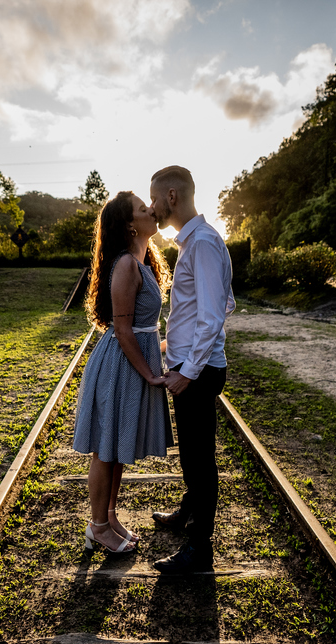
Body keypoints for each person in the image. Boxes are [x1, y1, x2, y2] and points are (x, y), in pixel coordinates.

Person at [72, 191, 174, 553]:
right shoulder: (126, 265)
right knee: (106, 447)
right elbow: (123, 329)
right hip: (120, 366)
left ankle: (109, 517)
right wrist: (150, 374)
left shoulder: (144, 261)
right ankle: (97, 527)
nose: (153, 210)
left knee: (116, 446)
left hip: (131, 361)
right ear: (131, 225)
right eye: (144, 209)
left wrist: (165, 351)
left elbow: (145, 330)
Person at [148, 166, 235, 574]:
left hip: (196, 372)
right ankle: (186, 513)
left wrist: (189, 368)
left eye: (153, 199)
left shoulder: (200, 243)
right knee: (192, 454)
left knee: (199, 460)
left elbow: (214, 313)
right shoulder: (200, 241)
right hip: (191, 362)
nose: (152, 209)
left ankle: (200, 550)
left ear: (171, 196)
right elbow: (221, 304)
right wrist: (174, 342)